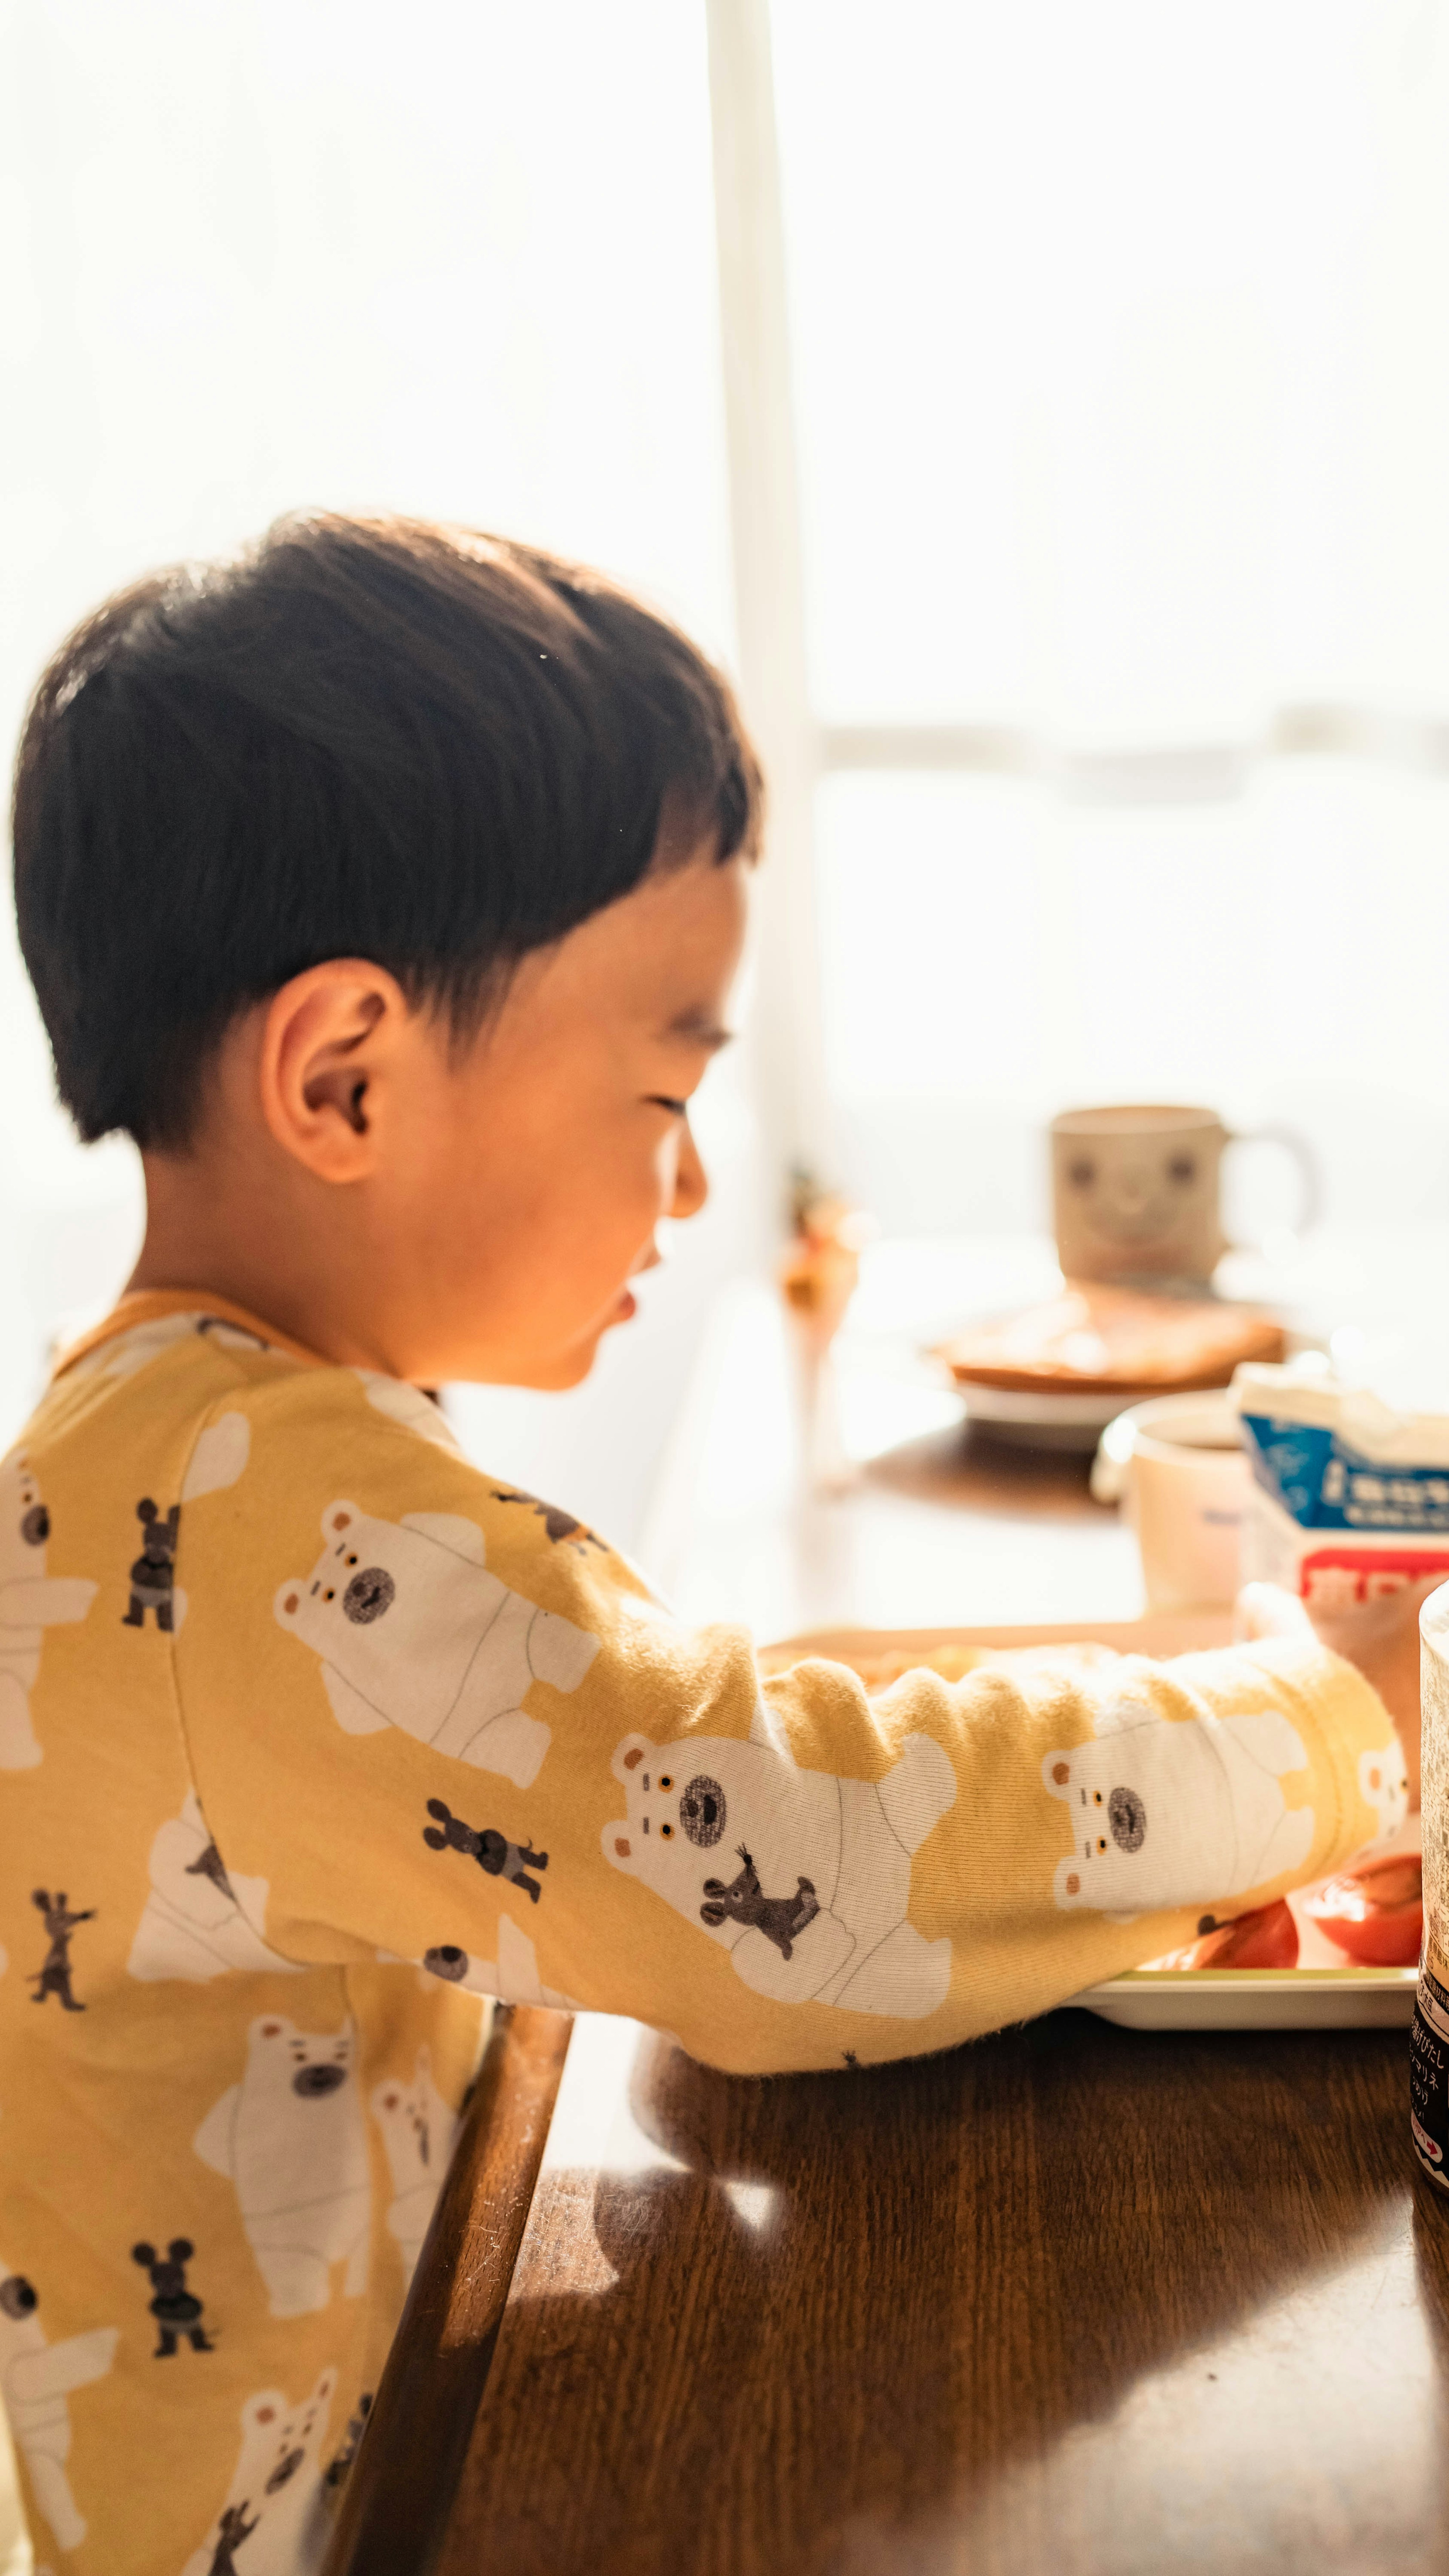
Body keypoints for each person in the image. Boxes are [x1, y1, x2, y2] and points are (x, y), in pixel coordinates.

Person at [0, 513, 1417, 2574]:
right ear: (345, 1074)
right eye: (662, 1084)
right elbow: (790, 1864)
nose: (685, 1187)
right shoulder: (248, 1511)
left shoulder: (190, 1446)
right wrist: (1347, 1720)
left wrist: (1160, 1663)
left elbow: (643, 1724)